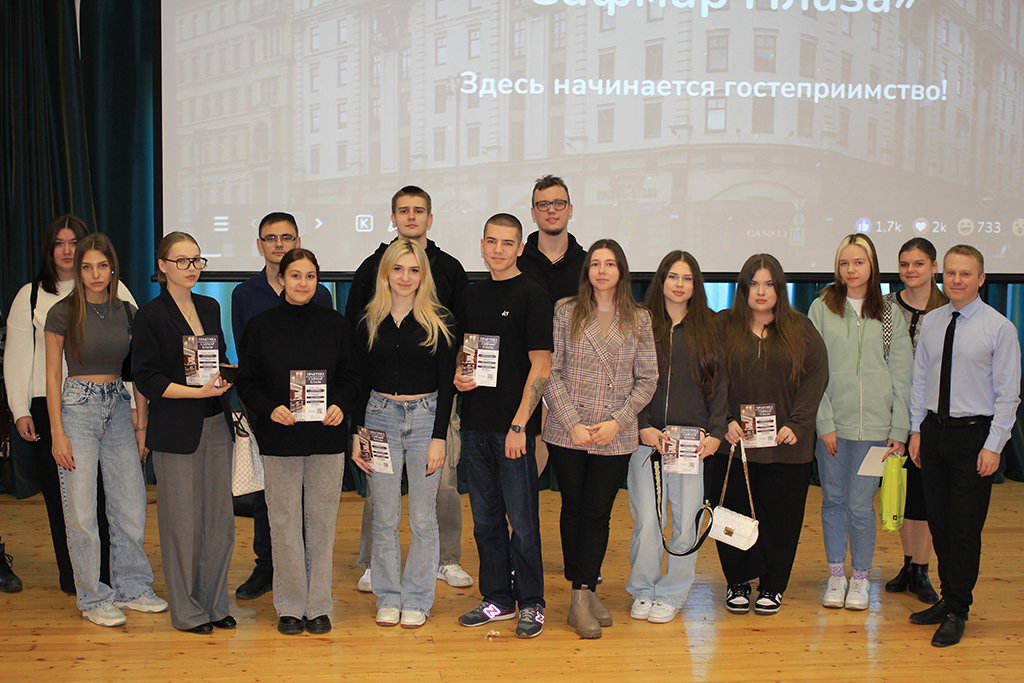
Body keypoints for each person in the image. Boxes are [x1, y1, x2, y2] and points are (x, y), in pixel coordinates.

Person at [346, 186, 471, 593]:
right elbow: (358, 360)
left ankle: (441, 565)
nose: (405, 277)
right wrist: (357, 429)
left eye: (419, 211)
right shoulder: (370, 279)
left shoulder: (449, 276)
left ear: (429, 218)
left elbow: (460, 341)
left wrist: (443, 422)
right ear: (393, 217)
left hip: (432, 407)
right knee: (381, 503)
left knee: (436, 496)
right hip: (378, 412)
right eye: (404, 210)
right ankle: (376, 568)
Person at [235, 248, 359, 635]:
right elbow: (247, 382)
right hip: (279, 438)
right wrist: (269, 409)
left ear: (317, 281)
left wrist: (340, 404)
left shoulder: (336, 324)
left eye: (309, 276)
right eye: (295, 275)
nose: (302, 283)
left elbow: (353, 377)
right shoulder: (261, 326)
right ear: (281, 280)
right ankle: (290, 605)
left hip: (326, 437)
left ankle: (318, 606)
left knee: (322, 522)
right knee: (284, 522)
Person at [42, 233, 164, 626]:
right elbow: (51, 376)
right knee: (81, 512)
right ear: (78, 271)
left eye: (102, 266)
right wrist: (57, 432)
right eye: (87, 267)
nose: (95, 274)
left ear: (113, 269)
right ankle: (93, 598)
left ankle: (132, 587)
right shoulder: (61, 313)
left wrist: (141, 424)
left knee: (130, 504)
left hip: (119, 406)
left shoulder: (128, 312)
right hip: (77, 407)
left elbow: (139, 371)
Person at [543, 239, 658, 639]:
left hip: (614, 433)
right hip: (568, 430)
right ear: (587, 271)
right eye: (595, 264)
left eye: (610, 264)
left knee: (597, 513)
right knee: (573, 509)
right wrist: (571, 422)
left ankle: (583, 592)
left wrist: (618, 422)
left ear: (621, 270)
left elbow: (648, 379)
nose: (602, 271)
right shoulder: (566, 310)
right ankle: (581, 594)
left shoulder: (639, 318)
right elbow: (551, 371)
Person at [907, 245, 1020, 647]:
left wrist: (994, 445)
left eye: (965, 274)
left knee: (964, 529)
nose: (956, 280)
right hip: (934, 433)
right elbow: (920, 379)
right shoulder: (933, 321)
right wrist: (916, 430)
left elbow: (1008, 394)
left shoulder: (999, 328)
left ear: (981, 279)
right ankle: (948, 597)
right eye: (951, 273)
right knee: (939, 523)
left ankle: (958, 609)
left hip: (975, 438)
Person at [712, 254, 828, 616]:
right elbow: (708, 377)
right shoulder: (722, 326)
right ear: (742, 288)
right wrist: (724, 420)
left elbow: (816, 376)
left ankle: (772, 586)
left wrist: (798, 423)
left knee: (781, 521)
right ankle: (737, 582)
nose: (761, 292)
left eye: (769, 284)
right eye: (753, 284)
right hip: (734, 447)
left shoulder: (800, 328)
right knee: (733, 516)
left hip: (785, 447)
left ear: (780, 288)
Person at [454, 213, 552, 638]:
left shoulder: (533, 295)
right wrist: (459, 375)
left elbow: (541, 366)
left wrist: (519, 426)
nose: (498, 250)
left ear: (520, 248)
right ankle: (498, 598)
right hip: (475, 426)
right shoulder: (471, 295)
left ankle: (532, 603)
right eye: (491, 241)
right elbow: (464, 353)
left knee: (523, 525)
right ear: (482, 245)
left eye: (507, 243)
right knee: (485, 522)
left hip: (512, 431)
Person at [351, 239, 457, 629]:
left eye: (414, 270)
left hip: (426, 420)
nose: (405, 277)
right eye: (398, 269)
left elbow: (447, 384)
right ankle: (388, 596)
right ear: (385, 273)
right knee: (384, 516)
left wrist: (440, 437)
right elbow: (359, 382)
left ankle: (416, 598)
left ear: (423, 275)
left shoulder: (441, 320)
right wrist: (357, 435)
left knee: (423, 518)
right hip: (378, 420)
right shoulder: (367, 321)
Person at [132, 232, 235, 635]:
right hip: (176, 429)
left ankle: (214, 605)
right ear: (162, 266)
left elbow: (217, 357)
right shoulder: (150, 315)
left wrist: (226, 376)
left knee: (219, 523)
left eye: (197, 260)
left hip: (216, 423)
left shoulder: (210, 306)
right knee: (182, 524)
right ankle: (187, 611)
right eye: (182, 261)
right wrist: (194, 392)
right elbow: (146, 377)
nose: (191, 268)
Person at [3, 214, 112, 594]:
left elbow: (130, 349)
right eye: (59, 244)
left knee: (102, 494)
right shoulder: (30, 296)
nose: (67, 251)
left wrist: (133, 406)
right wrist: (19, 409)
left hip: (104, 404)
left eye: (74, 243)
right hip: (48, 406)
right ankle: (74, 577)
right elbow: (17, 357)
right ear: (50, 250)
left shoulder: (112, 290)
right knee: (61, 496)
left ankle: (107, 573)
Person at [230, 211, 333, 602]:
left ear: (297, 241)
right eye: (271, 238)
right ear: (260, 245)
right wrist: (262, 407)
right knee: (268, 498)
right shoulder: (245, 294)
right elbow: (247, 358)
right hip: (268, 411)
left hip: (314, 415)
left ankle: (305, 573)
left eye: (286, 237)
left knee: (309, 501)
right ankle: (266, 568)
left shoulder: (320, 294)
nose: (279, 244)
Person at [809, 233, 912, 611]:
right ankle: (836, 575)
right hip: (833, 430)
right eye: (844, 263)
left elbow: (902, 375)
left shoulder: (889, 313)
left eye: (858, 262)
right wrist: (824, 422)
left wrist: (899, 430)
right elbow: (812, 371)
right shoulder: (821, 308)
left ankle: (861, 578)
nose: (851, 270)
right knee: (834, 501)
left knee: (860, 505)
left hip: (876, 432)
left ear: (872, 266)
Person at [627, 251, 726, 624]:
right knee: (647, 522)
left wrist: (716, 432)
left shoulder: (711, 327)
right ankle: (643, 589)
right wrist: (642, 424)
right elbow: (627, 378)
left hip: (691, 444)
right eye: (672, 276)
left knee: (686, 523)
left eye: (687, 278)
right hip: (647, 441)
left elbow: (720, 385)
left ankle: (672, 593)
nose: (679, 284)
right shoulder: (640, 323)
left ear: (695, 285)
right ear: (661, 281)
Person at [882, 238, 947, 604]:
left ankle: (922, 569)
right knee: (900, 495)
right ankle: (907, 565)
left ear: (934, 267)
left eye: (919, 264)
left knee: (925, 499)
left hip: (930, 420)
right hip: (891, 418)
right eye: (904, 264)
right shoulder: (885, 306)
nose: (910, 271)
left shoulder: (947, 309)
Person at [519, 174, 588, 479]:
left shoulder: (589, 266)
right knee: (524, 473)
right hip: (526, 377)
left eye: (558, 203)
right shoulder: (517, 263)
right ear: (533, 212)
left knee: (576, 483)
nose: (551, 210)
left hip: (575, 383)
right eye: (543, 204)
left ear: (570, 209)